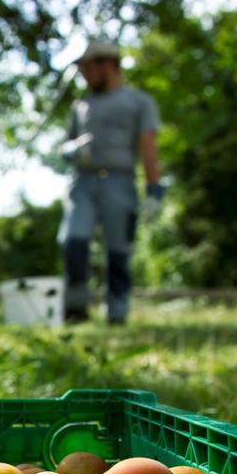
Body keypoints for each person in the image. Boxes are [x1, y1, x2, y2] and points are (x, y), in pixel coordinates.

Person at [59, 40, 164, 325]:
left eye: (88, 68)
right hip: (82, 182)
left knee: (118, 252)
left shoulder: (138, 102)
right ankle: (75, 310)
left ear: (107, 65)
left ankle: (117, 313)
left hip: (119, 181)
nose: (84, 75)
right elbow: (64, 146)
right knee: (73, 244)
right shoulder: (81, 105)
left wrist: (154, 190)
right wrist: (73, 149)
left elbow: (148, 148)